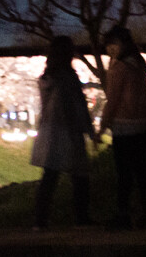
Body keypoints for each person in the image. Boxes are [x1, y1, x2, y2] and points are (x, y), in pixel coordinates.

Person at [31, 35, 97, 228]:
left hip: (50, 132)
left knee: (50, 177)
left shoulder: (47, 77)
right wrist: (88, 130)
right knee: (79, 176)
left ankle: (40, 220)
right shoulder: (67, 77)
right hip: (69, 130)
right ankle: (81, 218)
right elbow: (77, 106)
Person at [99, 23, 146, 229]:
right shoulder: (138, 64)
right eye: (108, 45)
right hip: (142, 124)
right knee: (141, 170)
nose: (110, 49)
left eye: (113, 44)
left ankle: (123, 215)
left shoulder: (119, 68)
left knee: (124, 172)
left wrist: (102, 126)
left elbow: (113, 99)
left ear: (122, 44)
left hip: (124, 126)